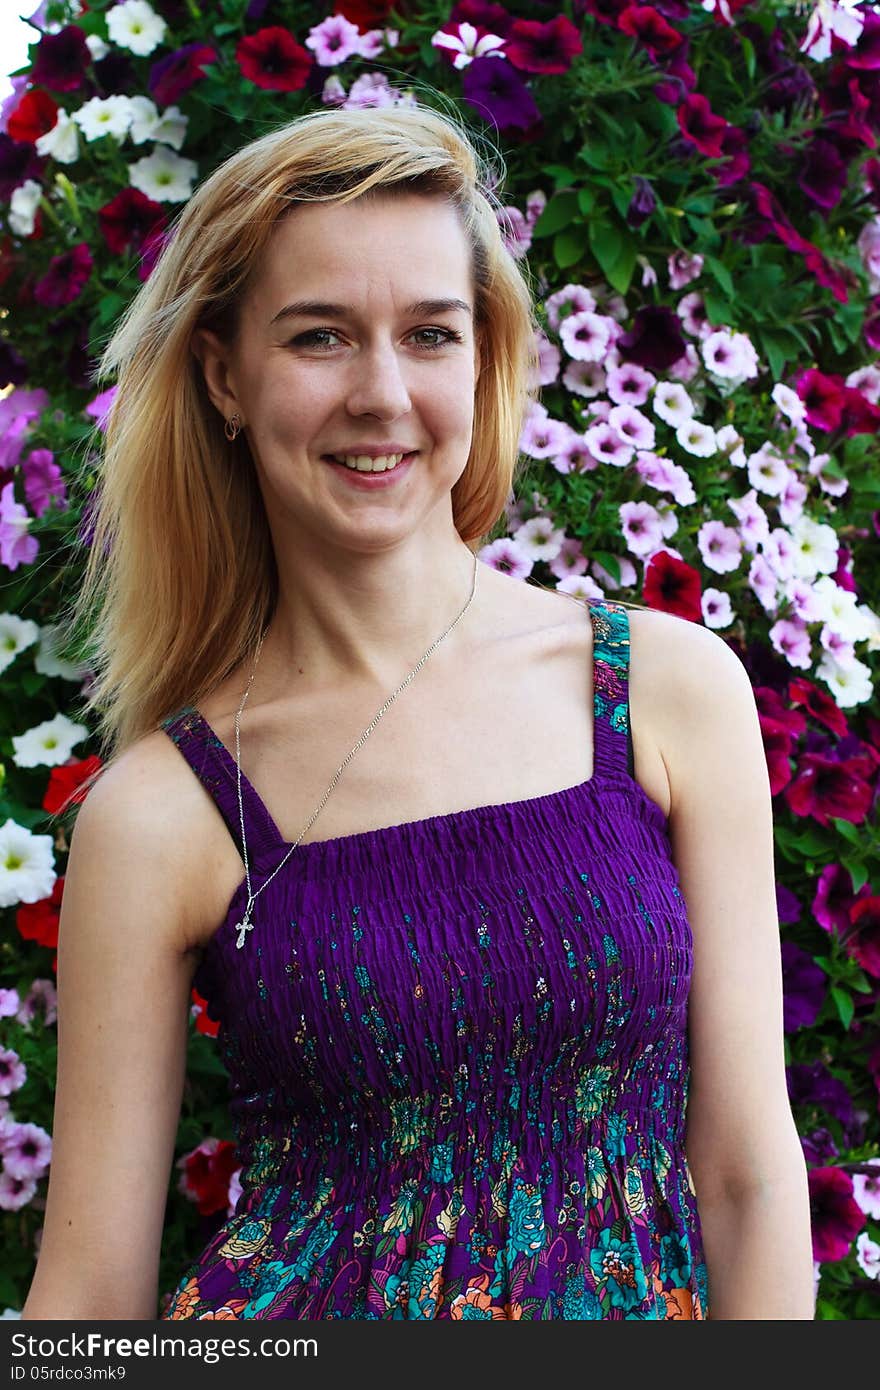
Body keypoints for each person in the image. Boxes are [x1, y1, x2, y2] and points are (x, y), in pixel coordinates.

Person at [22, 102, 814, 1322]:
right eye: (321, 337)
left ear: (483, 356)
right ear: (225, 375)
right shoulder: (163, 812)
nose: (382, 393)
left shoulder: (661, 689)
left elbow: (750, 1180)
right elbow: (89, 1296)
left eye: (430, 333)